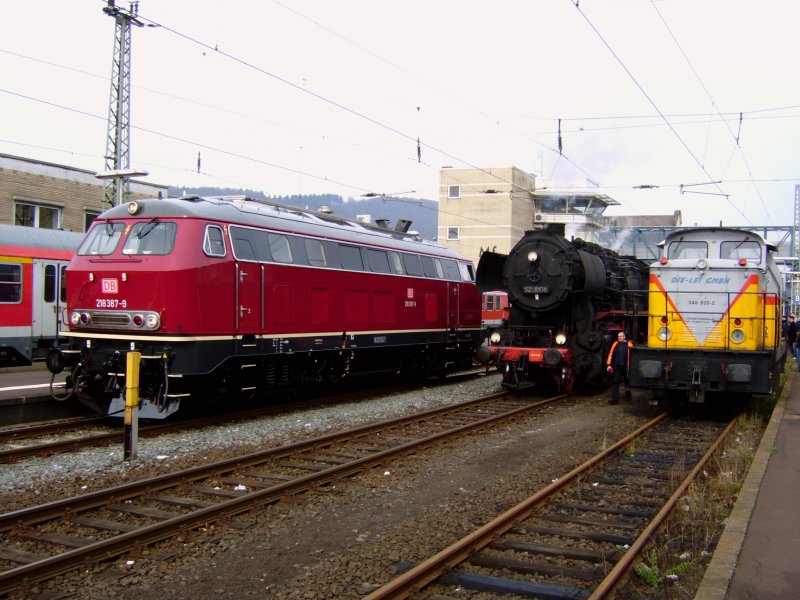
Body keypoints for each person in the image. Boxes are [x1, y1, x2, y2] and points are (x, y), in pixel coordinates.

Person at [606, 331, 633, 404]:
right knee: (616, 382)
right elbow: (611, 354)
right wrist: (609, 365)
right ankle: (614, 399)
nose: (619, 338)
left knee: (627, 382)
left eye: (621, 336)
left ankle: (628, 395)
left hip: (626, 367)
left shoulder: (629, 344)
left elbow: (632, 356)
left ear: (624, 337)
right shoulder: (615, 344)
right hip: (617, 366)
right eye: (618, 336)